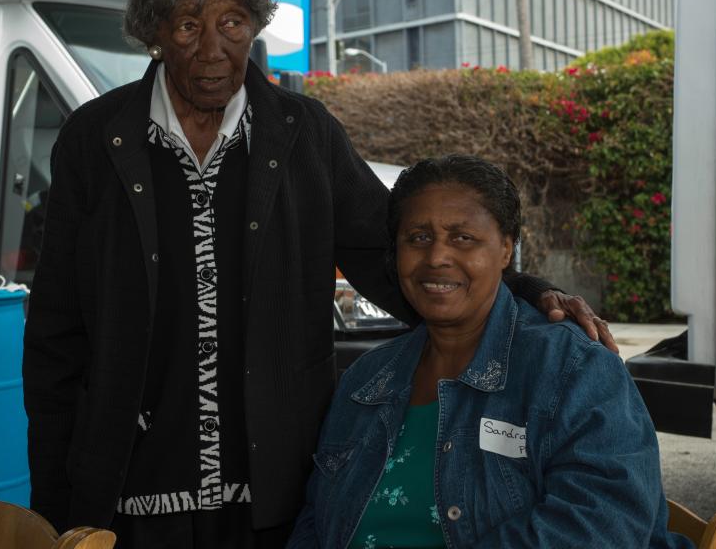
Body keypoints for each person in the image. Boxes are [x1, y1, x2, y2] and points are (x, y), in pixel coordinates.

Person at [22, 0, 615, 548]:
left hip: (272, 494)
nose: (213, 49)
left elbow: (394, 259)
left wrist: (527, 294)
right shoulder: (96, 140)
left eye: (232, 23)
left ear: (255, 23)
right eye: (189, 25)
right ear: (154, 31)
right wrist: (55, 507)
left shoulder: (302, 133)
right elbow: (57, 332)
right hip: (131, 494)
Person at [287, 155, 691, 549]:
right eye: (418, 237)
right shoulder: (365, 379)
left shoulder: (573, 367)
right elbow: (315, 521)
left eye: (462, 238)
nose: (436, 256)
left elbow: (604, 524)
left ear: (506, 250)